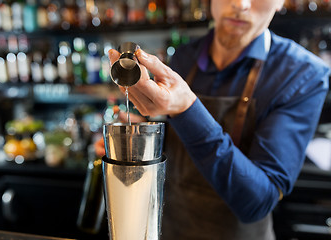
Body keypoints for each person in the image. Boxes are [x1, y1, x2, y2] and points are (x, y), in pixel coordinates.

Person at [100, 0, 330, 239]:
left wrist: (187, 109)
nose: (240, 4)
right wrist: (140, 145)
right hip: (170, 229)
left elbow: (257, 202)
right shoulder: (185, 57)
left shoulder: (302, 75)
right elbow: (178, 152)